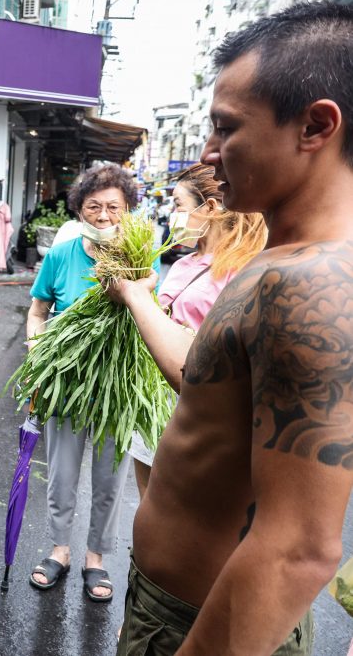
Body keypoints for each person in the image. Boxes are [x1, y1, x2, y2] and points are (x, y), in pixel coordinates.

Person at [116, 2, 353, 655]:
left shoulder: (311, 285)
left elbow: (299, 548)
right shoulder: (278, 266)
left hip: (199, 625)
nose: (207, 153)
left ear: (314, 126)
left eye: (225, 129)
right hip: (176, 609)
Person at [26, 162, 150, 603]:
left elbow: (152, 317)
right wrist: (36, 354)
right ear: (79, 210)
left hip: (116, 384)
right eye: (93, 206)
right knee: (60, 473)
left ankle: (95, 559)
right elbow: (38, 310)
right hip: (66, 381)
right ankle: (59, 549)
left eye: (113, 207)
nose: (102, 215)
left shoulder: (140, 258)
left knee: (109, 477)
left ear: (128, 210)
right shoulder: (61, 254)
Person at [106, 164, 267, 499]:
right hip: (154, 397)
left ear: (209, 208)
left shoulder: (246, 269)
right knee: (148, 502)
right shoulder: (181, 264)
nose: (173, 216)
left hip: (198, 406)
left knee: (184, 508)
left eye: (178, 205)